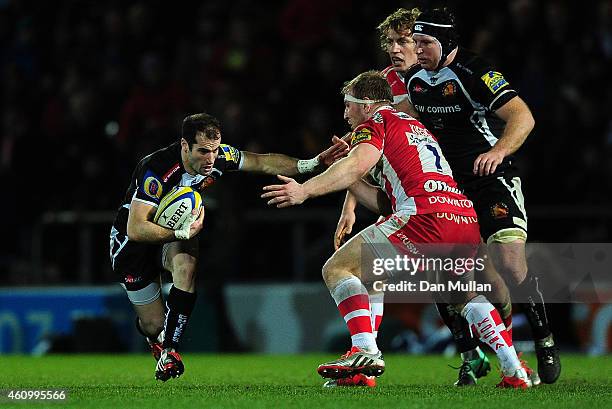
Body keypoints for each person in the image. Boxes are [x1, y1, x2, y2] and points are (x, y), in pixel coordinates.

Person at [262, 71, 533, 388]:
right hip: (462, 218)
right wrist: (345, 169)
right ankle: (514, 370)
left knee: (338, 268)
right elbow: (383, 201)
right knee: (459, 294)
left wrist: (305, 190)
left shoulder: (374, 123)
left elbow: (356, 165)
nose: (344, 113)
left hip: (425, 217)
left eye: (348, 105)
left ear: (366, 105)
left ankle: (365, 353)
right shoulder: (414, 126)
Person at [109, 113, 348, 381]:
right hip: (133, 245)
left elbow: (262, 162)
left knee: (186, 267)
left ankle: (170, 352)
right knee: (153, 324)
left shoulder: (219, 157)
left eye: (214, 150)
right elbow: (136, 228)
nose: (210, 159)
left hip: (178, 232)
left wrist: (312, 164)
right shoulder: (156, 168)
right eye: (202, 151)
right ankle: (157, 338)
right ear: (184, 146)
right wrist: (178, 230)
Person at [335, 7, 498, 388]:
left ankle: (506, 353)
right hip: (410, 190)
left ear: (425, 43)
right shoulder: (386, 82)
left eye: (404, 40)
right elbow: (367, 150)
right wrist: (350, 206)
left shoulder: (444, 77)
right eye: (390, 41)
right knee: (378, 271)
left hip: (458, 182)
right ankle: (371, 358)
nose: (396, 48)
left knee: (482, 276)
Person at [403, 7, 560, 384]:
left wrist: (499, 151)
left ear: (448, 42)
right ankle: (470, 354)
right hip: (448, 189)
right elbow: (400, 122)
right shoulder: (415, 81)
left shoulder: (477, 72)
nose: (418, 49)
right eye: (416, 41)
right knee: (441, 272)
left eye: (425, 42)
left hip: (491, 181)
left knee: (509, 263)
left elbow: (523, 116)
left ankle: (545, 341)